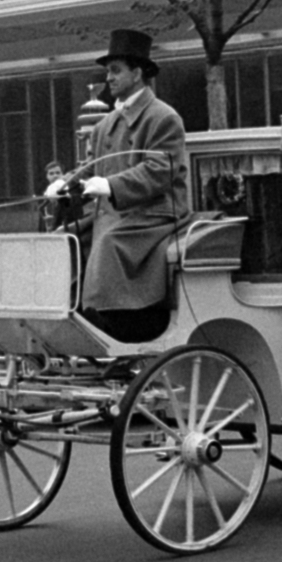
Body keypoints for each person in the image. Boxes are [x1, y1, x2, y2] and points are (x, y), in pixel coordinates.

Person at [46, 28, 190, 342]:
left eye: (115, 70)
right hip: (113, 215)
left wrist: (110, 185)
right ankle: (67, 317)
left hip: (157, 216)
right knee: (61, 240)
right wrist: (65, 185)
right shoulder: (104, 125)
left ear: (137, 74)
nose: (108, 78)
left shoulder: (163, 118)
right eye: (107, 71)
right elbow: (90, 173)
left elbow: (160, 170)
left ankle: (115, 321)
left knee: (109, 243)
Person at [38, 160, 65, 232]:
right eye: (51, 173)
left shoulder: (68, 191)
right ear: (47, 176)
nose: (55, 175)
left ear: (63, 174)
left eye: (58, 173)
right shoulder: (44, 197)